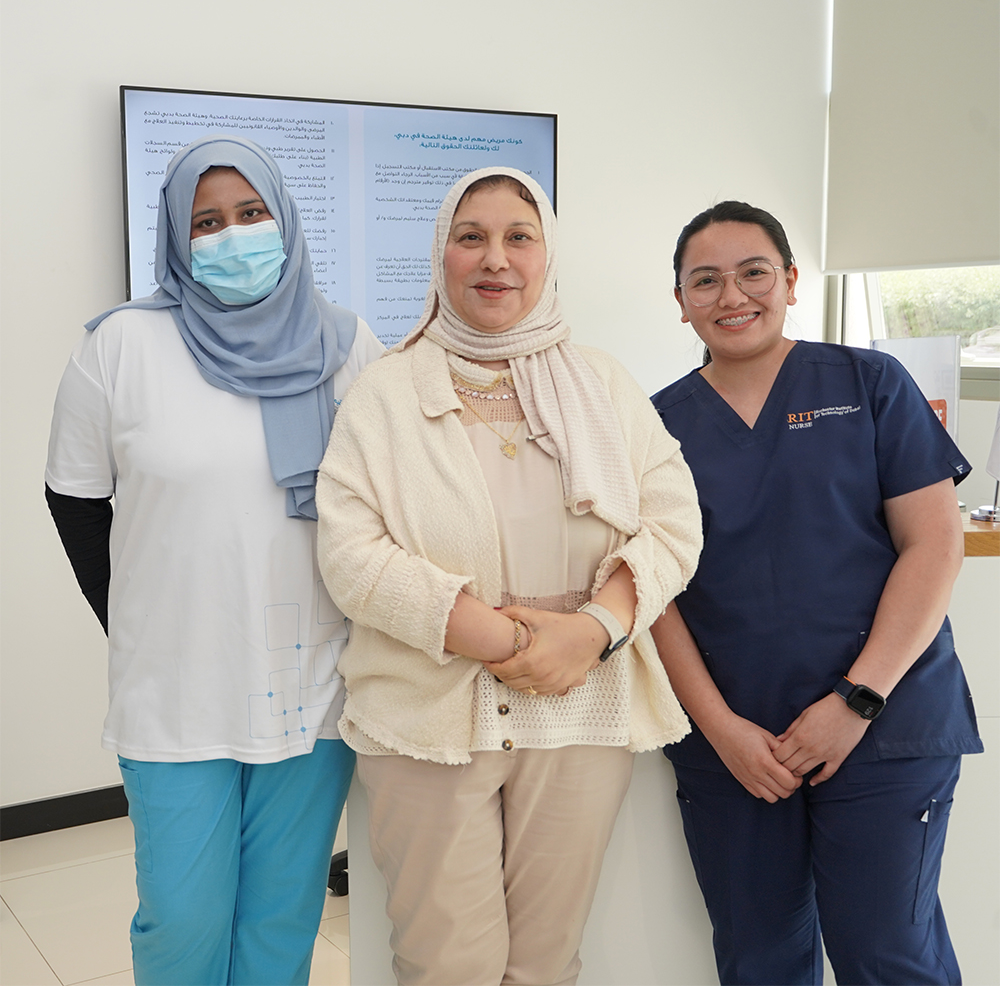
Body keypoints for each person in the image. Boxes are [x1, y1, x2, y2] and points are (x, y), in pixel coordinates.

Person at [316, 167, 703, 986]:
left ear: (546, 255)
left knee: (544, 962)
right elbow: (352, 555)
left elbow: (675, 523)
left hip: (579, 707)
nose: (495, 258)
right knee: (446, 965)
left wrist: (594, 630)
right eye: (472, 237)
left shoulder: (604, 384)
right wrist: (504, 641)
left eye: (518, 237)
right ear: (442, 256)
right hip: (427, 715)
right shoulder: (384, 394)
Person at [45, 135, 384, 986]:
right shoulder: (121, 345)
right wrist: (136, 624)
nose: (233, 235)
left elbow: (386, 505)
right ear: (175, 235)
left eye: (251, 212)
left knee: (281, 918)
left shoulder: (347, 346)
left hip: (313, 684)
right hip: (175, 689)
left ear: (285, 217)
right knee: (183, 923)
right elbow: (74, 499)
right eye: (206, 222)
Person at [649, 201, 983, 986]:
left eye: (754, 272)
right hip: (737, 745)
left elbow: (935, 545)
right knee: (758, 959)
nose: (733, 295)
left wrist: (856, 701)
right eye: (706, 280)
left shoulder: (869, 383)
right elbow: (654, 595)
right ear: (681, 300)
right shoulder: (655, 427)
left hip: (885, 723)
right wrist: (723, 730)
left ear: (792, 281)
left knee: (888, 955)